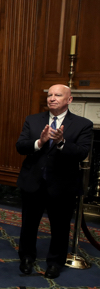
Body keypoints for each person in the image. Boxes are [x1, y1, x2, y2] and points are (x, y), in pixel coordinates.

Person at [16, 84, 92, 279]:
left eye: (58, 95)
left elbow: (82, 152)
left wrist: (61, 143)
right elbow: (21, 146)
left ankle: (55, 263)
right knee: (29, 224)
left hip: (62, 185)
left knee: (60, 227)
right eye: (49, 95)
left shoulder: (83, 124)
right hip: (33, 182)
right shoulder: (32, 120)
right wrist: (39, 143)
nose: (52, 98)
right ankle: (26, 258)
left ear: (69, 100)